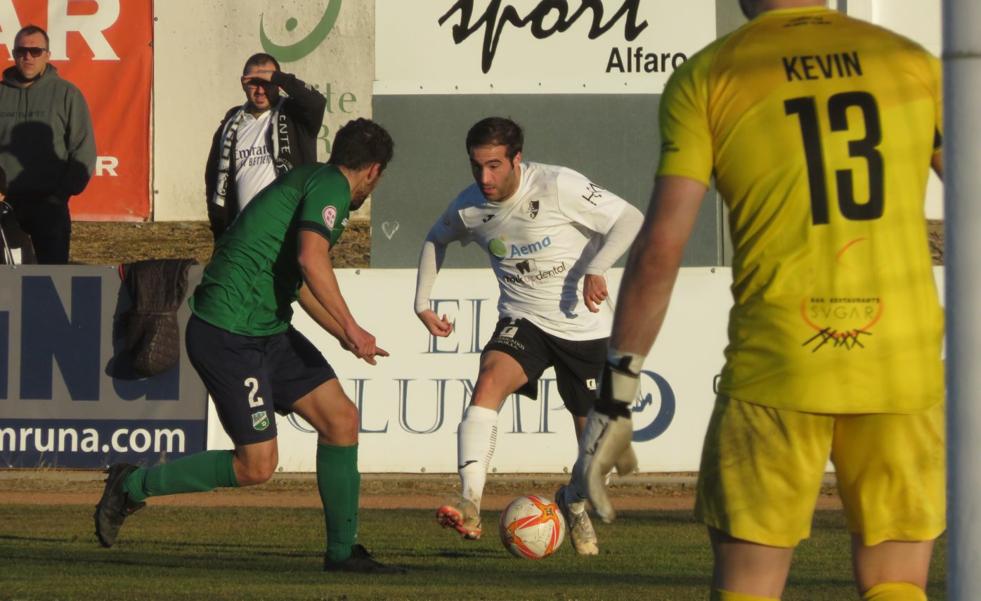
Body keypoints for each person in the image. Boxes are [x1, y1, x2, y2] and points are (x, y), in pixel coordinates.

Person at [579, 1, 945, 600]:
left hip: (778, 364)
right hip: (899, 364)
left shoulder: (712, 74)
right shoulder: (907, 63)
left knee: (750, 590)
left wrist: (616, 397)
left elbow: (660, 249)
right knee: (897, 586)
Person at [94, 118, 403, 574]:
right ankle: (132, 484)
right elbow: (311, 259)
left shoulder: (308, 180)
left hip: (266, 330)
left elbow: (297, 283)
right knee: (256, 466)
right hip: (229, 333)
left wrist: (342, 334)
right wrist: (353, 327)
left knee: (341, 420)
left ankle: (342, 553)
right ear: (374, 171)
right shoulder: (332, 187)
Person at [414, 117, 643, 555]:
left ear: (518, 159)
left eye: (495, 165)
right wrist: (422, 302)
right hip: (525, 321)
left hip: (586, 330)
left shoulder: (558, 186)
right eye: (477, 166)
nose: (485, 178)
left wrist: (597, 268)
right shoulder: (469, 207)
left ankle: (571, 502)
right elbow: (435, 239)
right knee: (488, 382)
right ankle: (469, 502)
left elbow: (629, 218)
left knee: (599, 466)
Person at [205, 52, 327, 240]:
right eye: (254, 82)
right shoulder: (229, 126)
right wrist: (220, 231)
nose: (261, 90)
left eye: (266, 82)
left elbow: (316, 102)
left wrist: (277, 77)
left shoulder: (296, 117)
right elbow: (214, 180)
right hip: (242, 234)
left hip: (287, 230)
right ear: (243, 84)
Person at [0, 24, 95, 264]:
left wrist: (60, 195)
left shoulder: (67, 94)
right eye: (21, 51)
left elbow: (83, 150)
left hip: (50, 205)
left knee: (53, 278)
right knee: (6, 280)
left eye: (35, 51)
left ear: (48, 55)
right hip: (5, 204)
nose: (28, 57)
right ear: (13, 53)